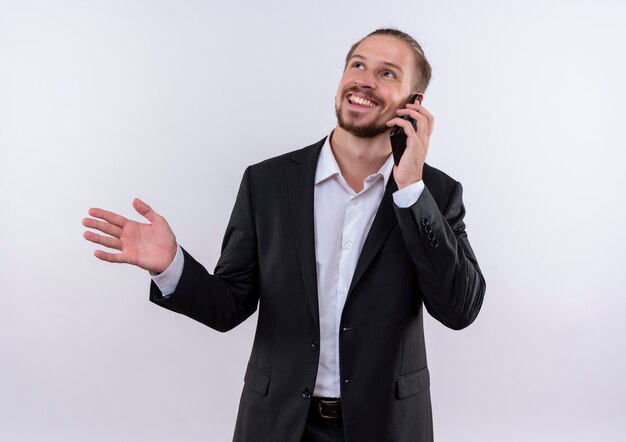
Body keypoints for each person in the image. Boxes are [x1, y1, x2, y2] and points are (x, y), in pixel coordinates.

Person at [83, 28, 485, 442]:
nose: (364, 79)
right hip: (277, 424)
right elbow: (229, 305)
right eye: (358, 65)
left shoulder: (433, 193)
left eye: (387, 74)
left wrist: (411, 190)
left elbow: (459, 310)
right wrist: (172, 267)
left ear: (413, 104)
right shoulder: (268, 182)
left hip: (387, 426)